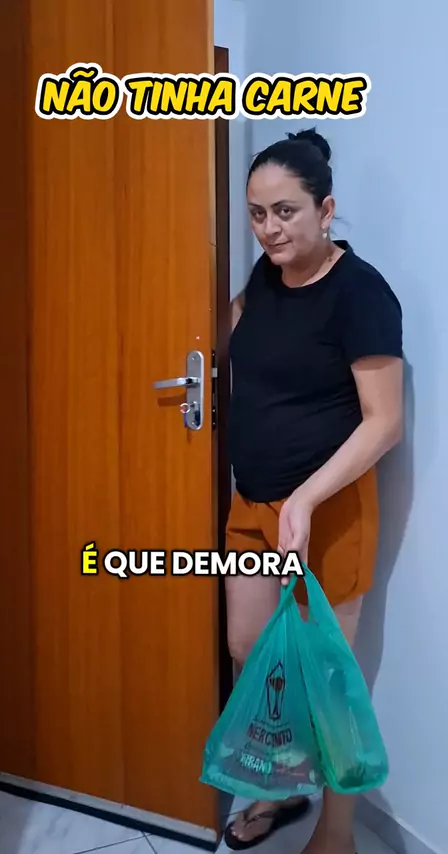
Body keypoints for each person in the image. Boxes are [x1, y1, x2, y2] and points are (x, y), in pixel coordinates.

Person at [223, 128, 403, 854]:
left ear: (325, 210)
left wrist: (304, 499)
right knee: (249, 652)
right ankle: (279, 787)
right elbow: (228, 337)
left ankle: (337, 833)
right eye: (257, 214)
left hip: (328, 511)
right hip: (252, 502)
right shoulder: (266, 279)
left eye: (285, 212)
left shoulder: (361, 292)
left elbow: (384, 421)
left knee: (326, 679)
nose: (269, 229)